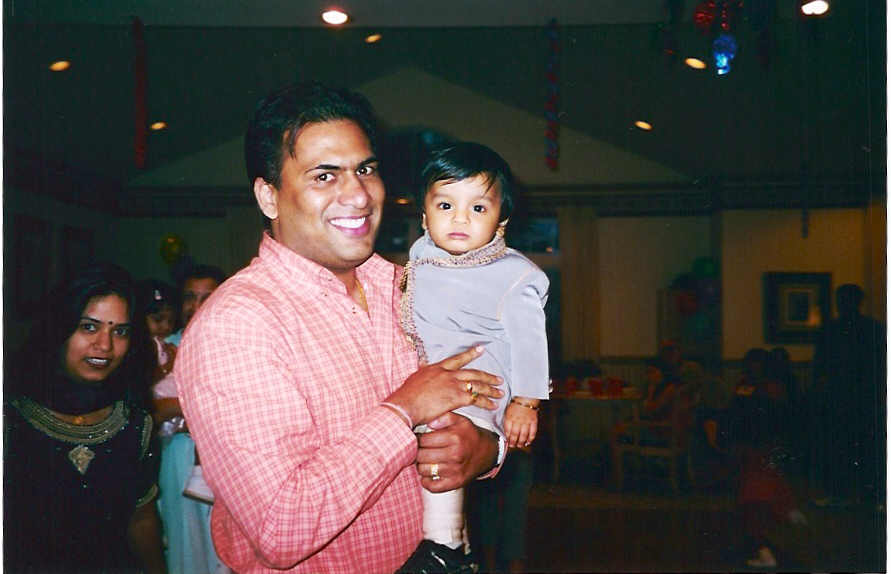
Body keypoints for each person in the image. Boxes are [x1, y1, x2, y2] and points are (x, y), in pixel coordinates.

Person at [175, 82, 506, 574]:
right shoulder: (236, 327)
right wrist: (404, 412)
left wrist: (485, 448)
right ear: (268, 196)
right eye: (324, 175)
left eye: (365, 170)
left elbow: (490, 388)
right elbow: (281, 529)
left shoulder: (412, 288)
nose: (358, 195)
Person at [397, 142, 550, 571]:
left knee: (443, 441)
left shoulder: (512, 274)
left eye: (478, 208)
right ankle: (460, 546)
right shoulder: (422, 257)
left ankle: (443, 543)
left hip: (480, 385)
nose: (460, 218)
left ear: (501, 220)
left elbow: (530, 342)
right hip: (431, 381)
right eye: (446, 205)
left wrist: (526, 402)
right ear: (424, 217)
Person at [4, 263, 167, 574]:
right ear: (59, 328)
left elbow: (142, 519)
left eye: (119, 331)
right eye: (89, 327)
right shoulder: (13, 419)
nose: (105, 345)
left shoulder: (134, 423)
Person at [151, 266, 228, 574]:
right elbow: (151, 409)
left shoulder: (237, 342)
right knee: (184, 541)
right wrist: (203, 408)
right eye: (189, 297)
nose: (195, 306)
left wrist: (182, 408)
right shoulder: (163, 346)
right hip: (177, 454)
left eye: (207, 297)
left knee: (224, 544)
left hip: (224, 458)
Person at [812, 283, 886, 506]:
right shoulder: (835, 329)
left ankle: (866, 496)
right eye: (840, 300)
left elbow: (882, 363)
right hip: (847, 396)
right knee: (845, 447)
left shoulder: (871, 328)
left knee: (861, 448)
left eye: (845, 300)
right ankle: (850, 495)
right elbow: (820, 365)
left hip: (860, 396)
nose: (842, 304)